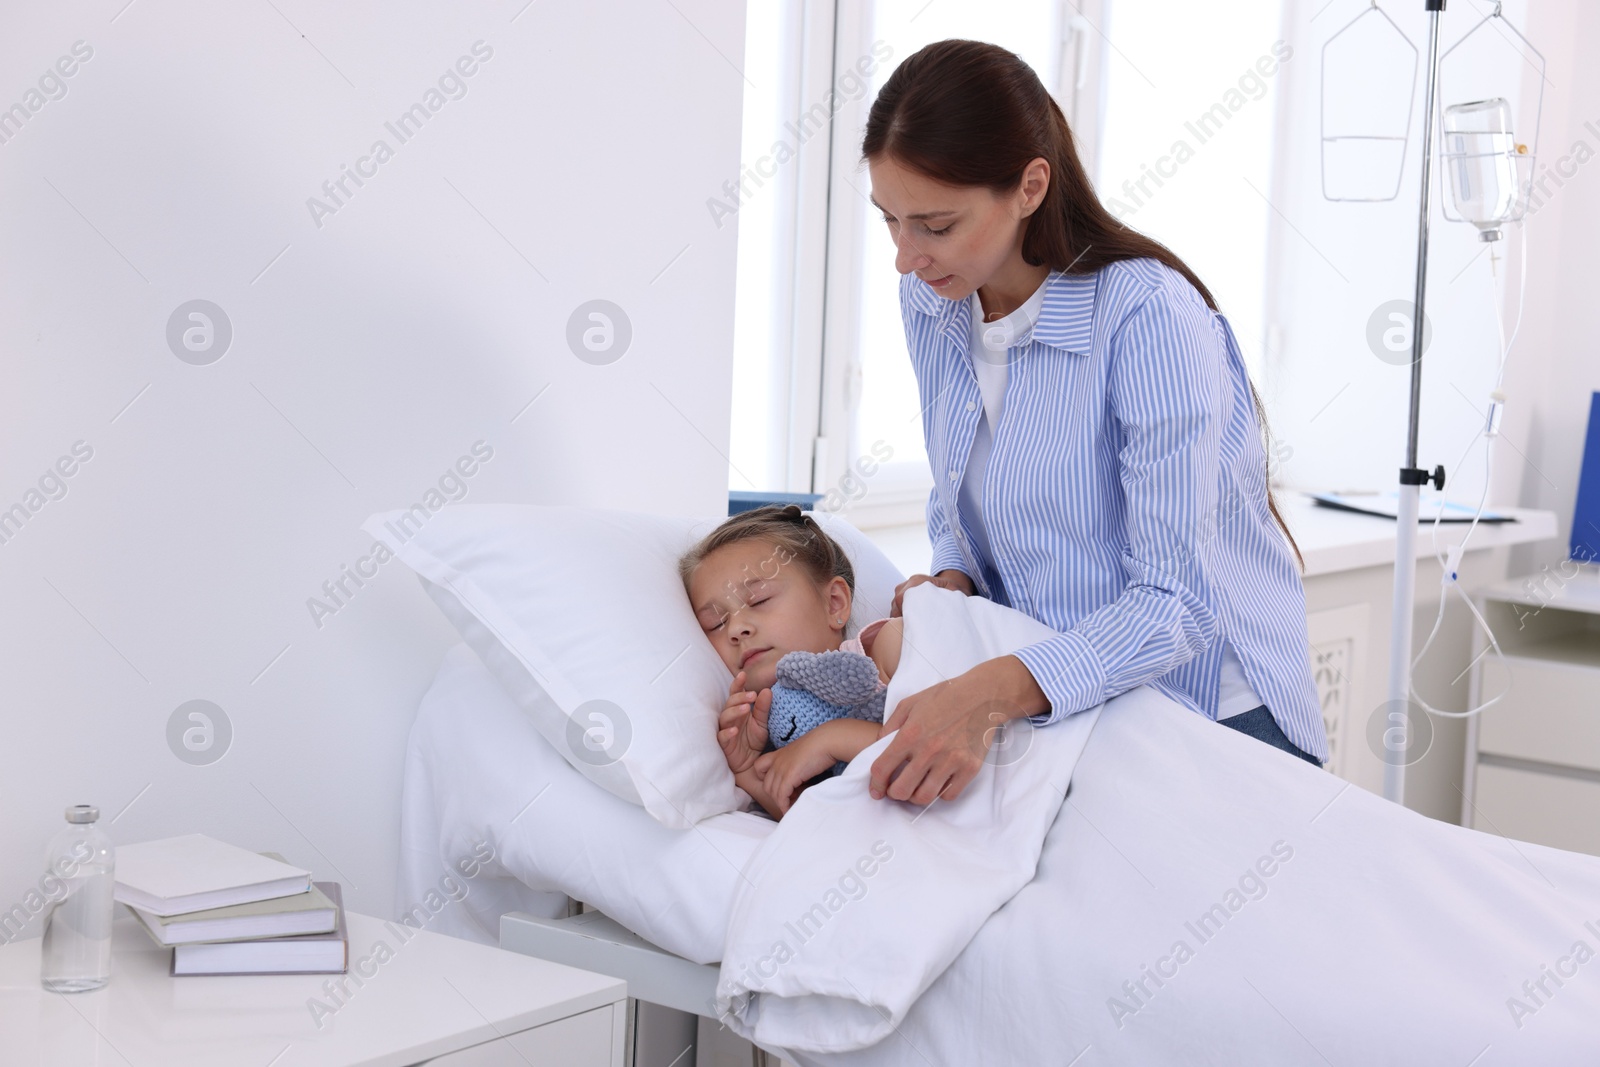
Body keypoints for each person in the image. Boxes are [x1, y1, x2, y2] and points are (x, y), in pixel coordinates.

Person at [860, 39, 1328, 808]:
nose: (906, 257)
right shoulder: (936, 299)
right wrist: (954, 571)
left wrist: (989, 692)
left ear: (1031, 186)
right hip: (1072, 709)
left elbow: (1176, 601)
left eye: (936, 225)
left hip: (1211, 715)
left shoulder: (1147, 319)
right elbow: (960, 484)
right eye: (891, 221)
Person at [679, 505, 903, 819]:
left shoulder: (888, 648)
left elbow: (943, 739)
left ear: (834, 603)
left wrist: (831, 740)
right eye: (716, 623)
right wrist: (747, 770)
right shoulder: (771, 730)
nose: (736, 629)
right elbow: (816, 822)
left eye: (759, 600)